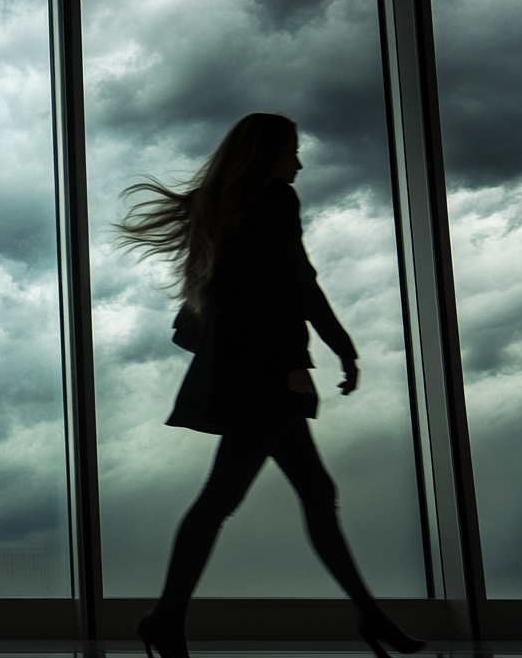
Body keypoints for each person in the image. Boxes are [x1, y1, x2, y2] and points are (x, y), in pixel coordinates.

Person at [115, 113, 425, 658]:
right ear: (269, 154)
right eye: (293, 151)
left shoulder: (228, 207)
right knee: (227, 498)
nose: (300, 162)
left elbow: (241, 296)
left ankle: (371, 617)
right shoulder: (273, 198)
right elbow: (295, 281)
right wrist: (336, 346)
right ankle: (166, 617)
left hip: (249, 370)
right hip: (265, 373)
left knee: (309, 493)